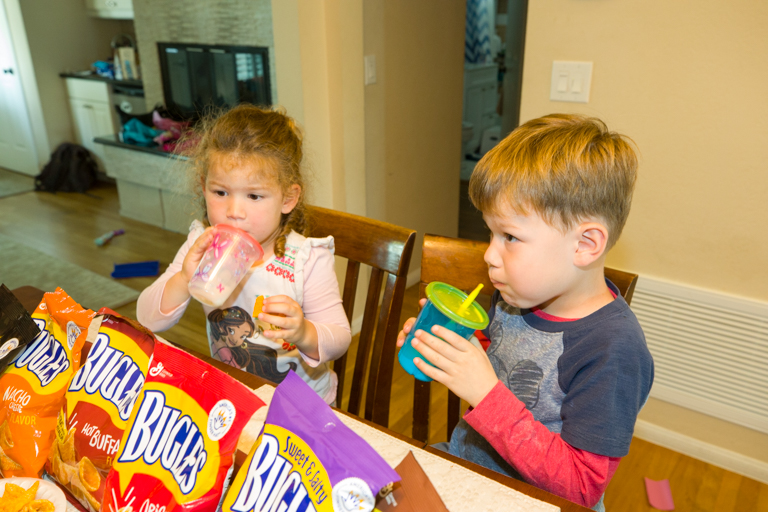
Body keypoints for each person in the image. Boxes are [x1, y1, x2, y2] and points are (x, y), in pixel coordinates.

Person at [397, 114, 653, 511]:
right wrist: (453, 347)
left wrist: (484, 393)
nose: (489, 254)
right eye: (491, 233)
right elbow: (504, 356)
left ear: (585, 244)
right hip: (468, 474)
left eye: (510, 237)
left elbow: (581, 488)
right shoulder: (516, 296)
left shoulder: (613, 350)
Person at [137, 104, 351, 404]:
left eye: (254, 196)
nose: (234, 211)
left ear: (288, 198)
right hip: (234, 396)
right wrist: (184, 278)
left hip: (302, 405)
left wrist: (304, 332)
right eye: (221, 192)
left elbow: (340, 338)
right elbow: (147, 319)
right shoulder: (203, 244)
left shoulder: (307, 259)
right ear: (203, 187)